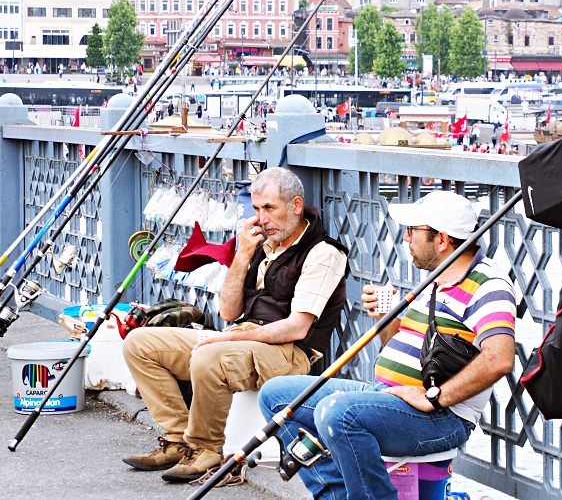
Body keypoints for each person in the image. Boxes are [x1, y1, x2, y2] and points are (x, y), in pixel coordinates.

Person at [258, 191, 516, 499]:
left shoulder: (489, 285)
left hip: (440, 417)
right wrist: (385, 318)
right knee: (276, 397)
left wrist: (434, 397)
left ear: (442, 239)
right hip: (389, 397)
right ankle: (338, 495)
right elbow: (400, 350)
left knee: (337, 412)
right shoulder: (436, 279)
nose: (405, 238)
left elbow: (500, 359)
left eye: (412, 230)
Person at [122, 167, 349, 483]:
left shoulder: (324, 252)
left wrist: (225, 341)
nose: (262, 218)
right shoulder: (260, 244)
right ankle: (177, 440)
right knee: (140, 343)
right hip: (242, 337)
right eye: (256, 209)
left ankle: (206, 451)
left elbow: (297, 328)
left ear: (296, 205)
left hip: (289, 352)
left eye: (270, 208)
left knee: (208, 356)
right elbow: (228, 312)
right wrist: (242, 256)